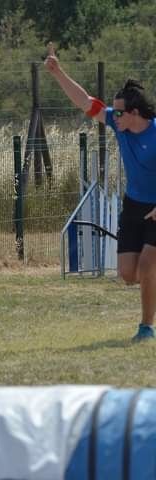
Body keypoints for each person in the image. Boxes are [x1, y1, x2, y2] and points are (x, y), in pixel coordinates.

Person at [44, 42, 156, 342]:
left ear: (134, 113)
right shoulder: (121, 128)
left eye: (118, 113)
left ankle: (146, 327)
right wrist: (58, 73)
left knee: (148, 264)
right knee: (129, 274)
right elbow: (86, 102)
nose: (113, 117)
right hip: (133, 206)